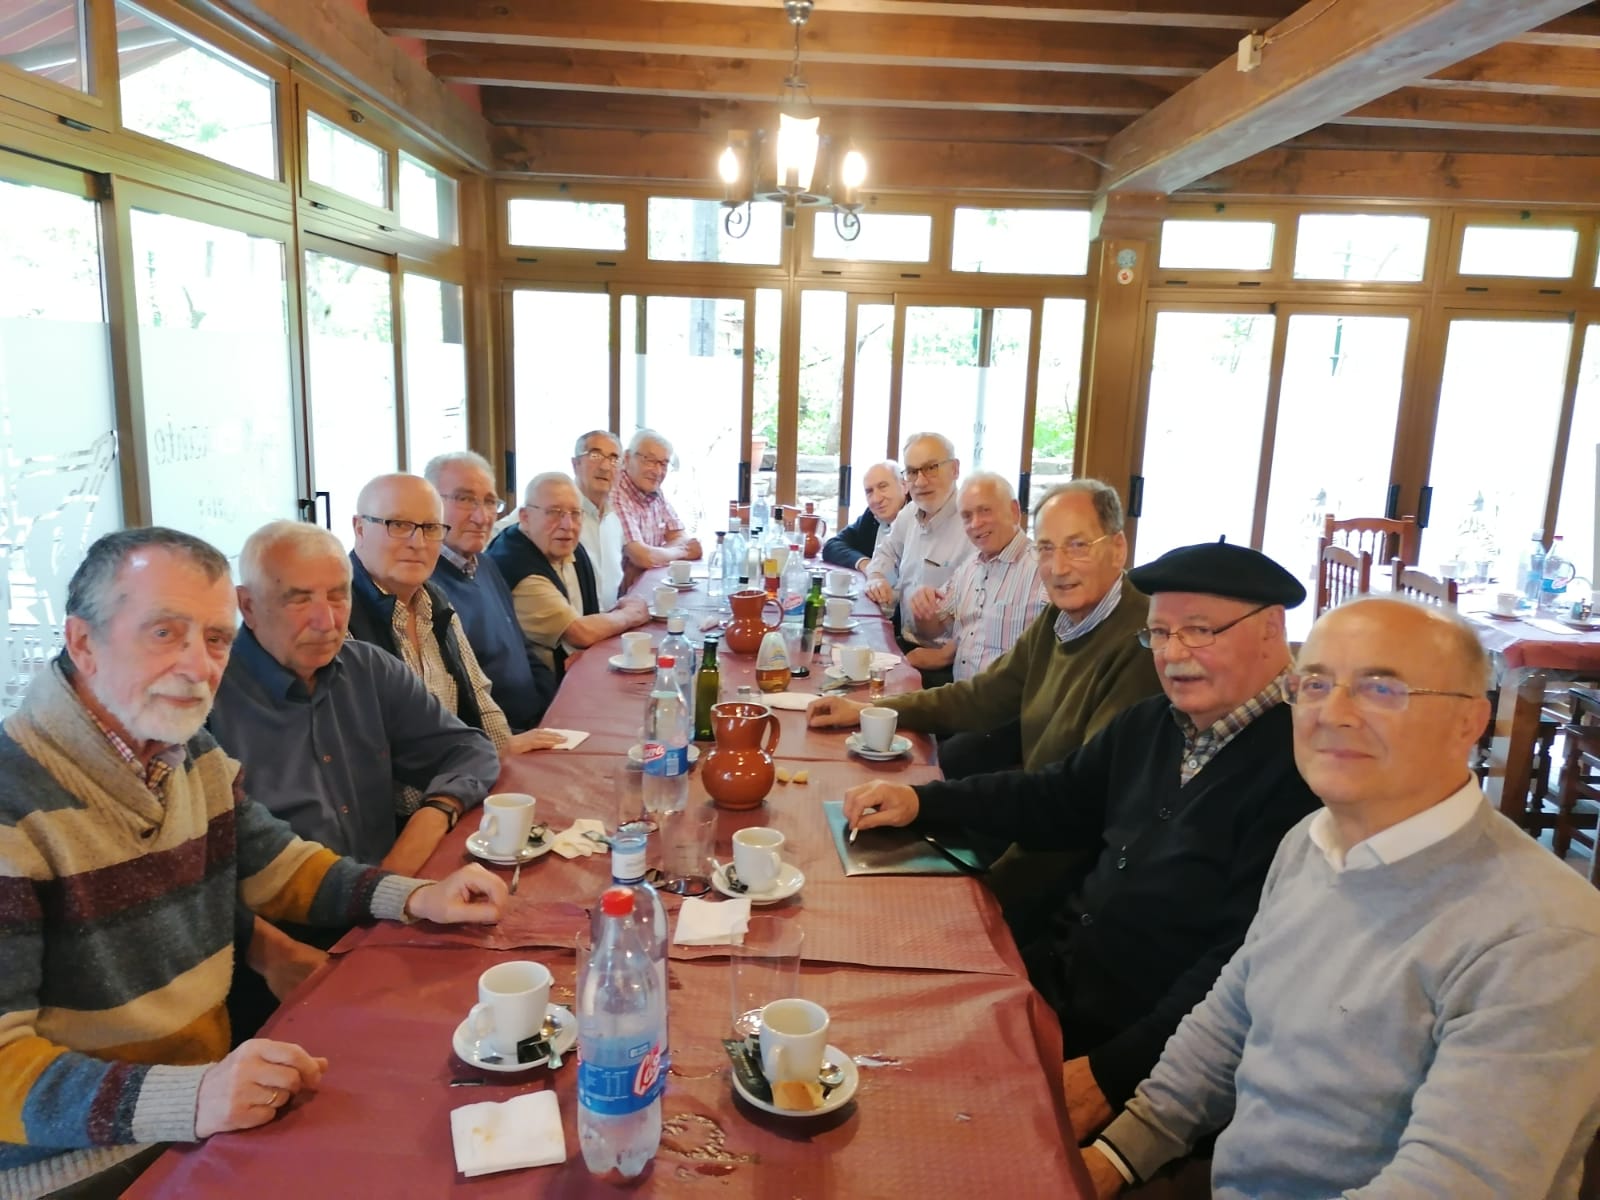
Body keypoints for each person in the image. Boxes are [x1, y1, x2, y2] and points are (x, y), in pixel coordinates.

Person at [0, 528, 506, 1198]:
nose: (196, 664)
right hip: (80, 1166)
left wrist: (416, 898)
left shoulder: (185, 754)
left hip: (200, 1110)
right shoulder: (15, 804)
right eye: (163, 633)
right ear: (83, 642)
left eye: (213, 639)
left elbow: (280, 865)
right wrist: (198, 1095)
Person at [1084, 597, 1600, 1199]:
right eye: (1315, 684)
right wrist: (1117, 1156)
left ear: (1470, 722)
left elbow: (1452, 1185)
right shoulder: (1310, 841)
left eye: (1381, 689)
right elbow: (1232, 1017)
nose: (1334, 713)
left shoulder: (1543, 938)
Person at [842, 541, 1321, 1147]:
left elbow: (1238, 966)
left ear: (1271, 630)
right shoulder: (1153, 724)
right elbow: (1052, 798)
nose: (1173, 656)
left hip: (1135, 1054)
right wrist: (923, 802)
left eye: (1198, 633)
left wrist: (1112, 1076)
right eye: (1160, 635)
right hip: (1050, 988)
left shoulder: (1302, 771)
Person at [810, 480, 1160, 780]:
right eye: (1047, 548)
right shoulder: (1059, 619)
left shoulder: (1144, 642)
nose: (1058, 567)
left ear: (1118, 549)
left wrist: (932, 803)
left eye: (1078, 546)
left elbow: (1078, 795)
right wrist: (868, 709)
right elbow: (982, 695)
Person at [212, 520, 500, 875]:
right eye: (299, 600)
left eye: (338, 595)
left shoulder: (369, 668)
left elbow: (471, 751)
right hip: (285, 919)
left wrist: (437, 811)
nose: (327, 621)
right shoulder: (208, 700)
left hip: (387, 895)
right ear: (247, 606)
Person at [346, 474, 557, 774]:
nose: (417, 543)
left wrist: (505, 748)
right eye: (399, 525)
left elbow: (477, 692)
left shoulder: (434, 599)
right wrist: (453, 794)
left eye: (430, 528)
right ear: (359, 528)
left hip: (460, 781)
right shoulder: (338, 614)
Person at [424, 450, 558, 734]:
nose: (482, 516)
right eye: (464, 499)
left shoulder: (485, 565)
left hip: (536, 723)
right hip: (496, 743)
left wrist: (553, 709)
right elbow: (457, 702)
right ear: (429, 503)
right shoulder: (425, 586)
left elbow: (522, 650)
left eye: (488, 502)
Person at [487, 472, 650, 676]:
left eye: (575, 513)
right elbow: (580, 633)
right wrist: (629, 614)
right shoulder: (516, 565)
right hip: (537, 693)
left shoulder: (569, 548)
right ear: (525, 517)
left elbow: (589, 621)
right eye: (554, 512)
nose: (568, 525)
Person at [900, 471, 1045, 688]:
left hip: (1011, 712)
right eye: (967, 516)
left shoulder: (1043, 570)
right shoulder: (968, 568)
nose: (975, 523)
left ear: (1014, 512)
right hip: (961, 701)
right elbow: (935, 629)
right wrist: (923, 609)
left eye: (985, 511)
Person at [864, 432, 974, 651]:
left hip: (947, 658)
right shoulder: (909, 514)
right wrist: (876, 577)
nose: (921, 481)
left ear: (955, 469)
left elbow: (984, 614)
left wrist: (946, 656)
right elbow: (885, 552)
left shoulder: (973, 524)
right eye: (913, 472)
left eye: (931, 468)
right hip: (905, 642)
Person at [612, 428, 701, 592]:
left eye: (663, 463)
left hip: (646, 588)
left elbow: (680, 536)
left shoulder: (655, 492)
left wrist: (647, 564)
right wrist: (681, 552)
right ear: (626, 458)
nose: (658, 471)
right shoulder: (616, 494)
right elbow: (643, 556)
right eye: (650, 460)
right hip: (618, 601)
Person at [571, 429, 626, 609]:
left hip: (608, 626)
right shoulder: (553, 509)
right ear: (575, 464)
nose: (605, 467)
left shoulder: (614, 519)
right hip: (571, 631)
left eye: (613, 459)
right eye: (595, 455)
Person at [821, 460, 908, 570]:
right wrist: (865, 564)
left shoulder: (920, 517)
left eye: (883, 486)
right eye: (869, 491)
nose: (876, 499)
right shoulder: (872, 515)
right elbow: (832, 546)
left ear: (904, 486)